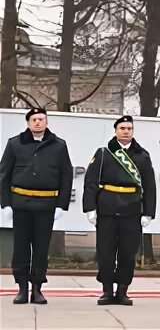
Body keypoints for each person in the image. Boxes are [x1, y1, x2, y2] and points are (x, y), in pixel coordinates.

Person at [0, 108, 73, 304]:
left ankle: (37, 289)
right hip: (21, 204)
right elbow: (4, 175)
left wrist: (61, 205)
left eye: (42, 119)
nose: (38, 122)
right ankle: (22, 288)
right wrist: (6, 203)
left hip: (46, 204)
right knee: (21, 248)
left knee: (41, 249)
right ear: (28, 123)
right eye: (34, 119)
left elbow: (66, 176)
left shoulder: (58, 145)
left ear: (47, 122)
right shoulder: (15, 144)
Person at [82, 115, 156, 306]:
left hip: (131, 209)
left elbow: (150, 185)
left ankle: (122, 290)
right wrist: (90, 208)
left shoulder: (142, 155)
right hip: (107, 208)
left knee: (127, 252)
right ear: (115, 131)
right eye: (122, 128)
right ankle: (107, 290)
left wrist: (148, 212)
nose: (125, 131)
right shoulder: (104, 153)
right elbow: (91, 182)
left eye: (129, 128)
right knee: (106, 252)